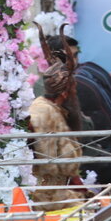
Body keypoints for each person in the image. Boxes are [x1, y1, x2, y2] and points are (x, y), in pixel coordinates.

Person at [47, 34, 111, 184]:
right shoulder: (57, 84)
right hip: (90, 158)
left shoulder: (86, 75)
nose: (73, 62)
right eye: (67, 57)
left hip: (105, 154)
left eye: (75, 55)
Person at [26, 62, 87, 208]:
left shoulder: (49, 107)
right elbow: (62, 164)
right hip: (45, 196)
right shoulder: (45, 112)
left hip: (54, 190)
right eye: (74, 91)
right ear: (65, 93)